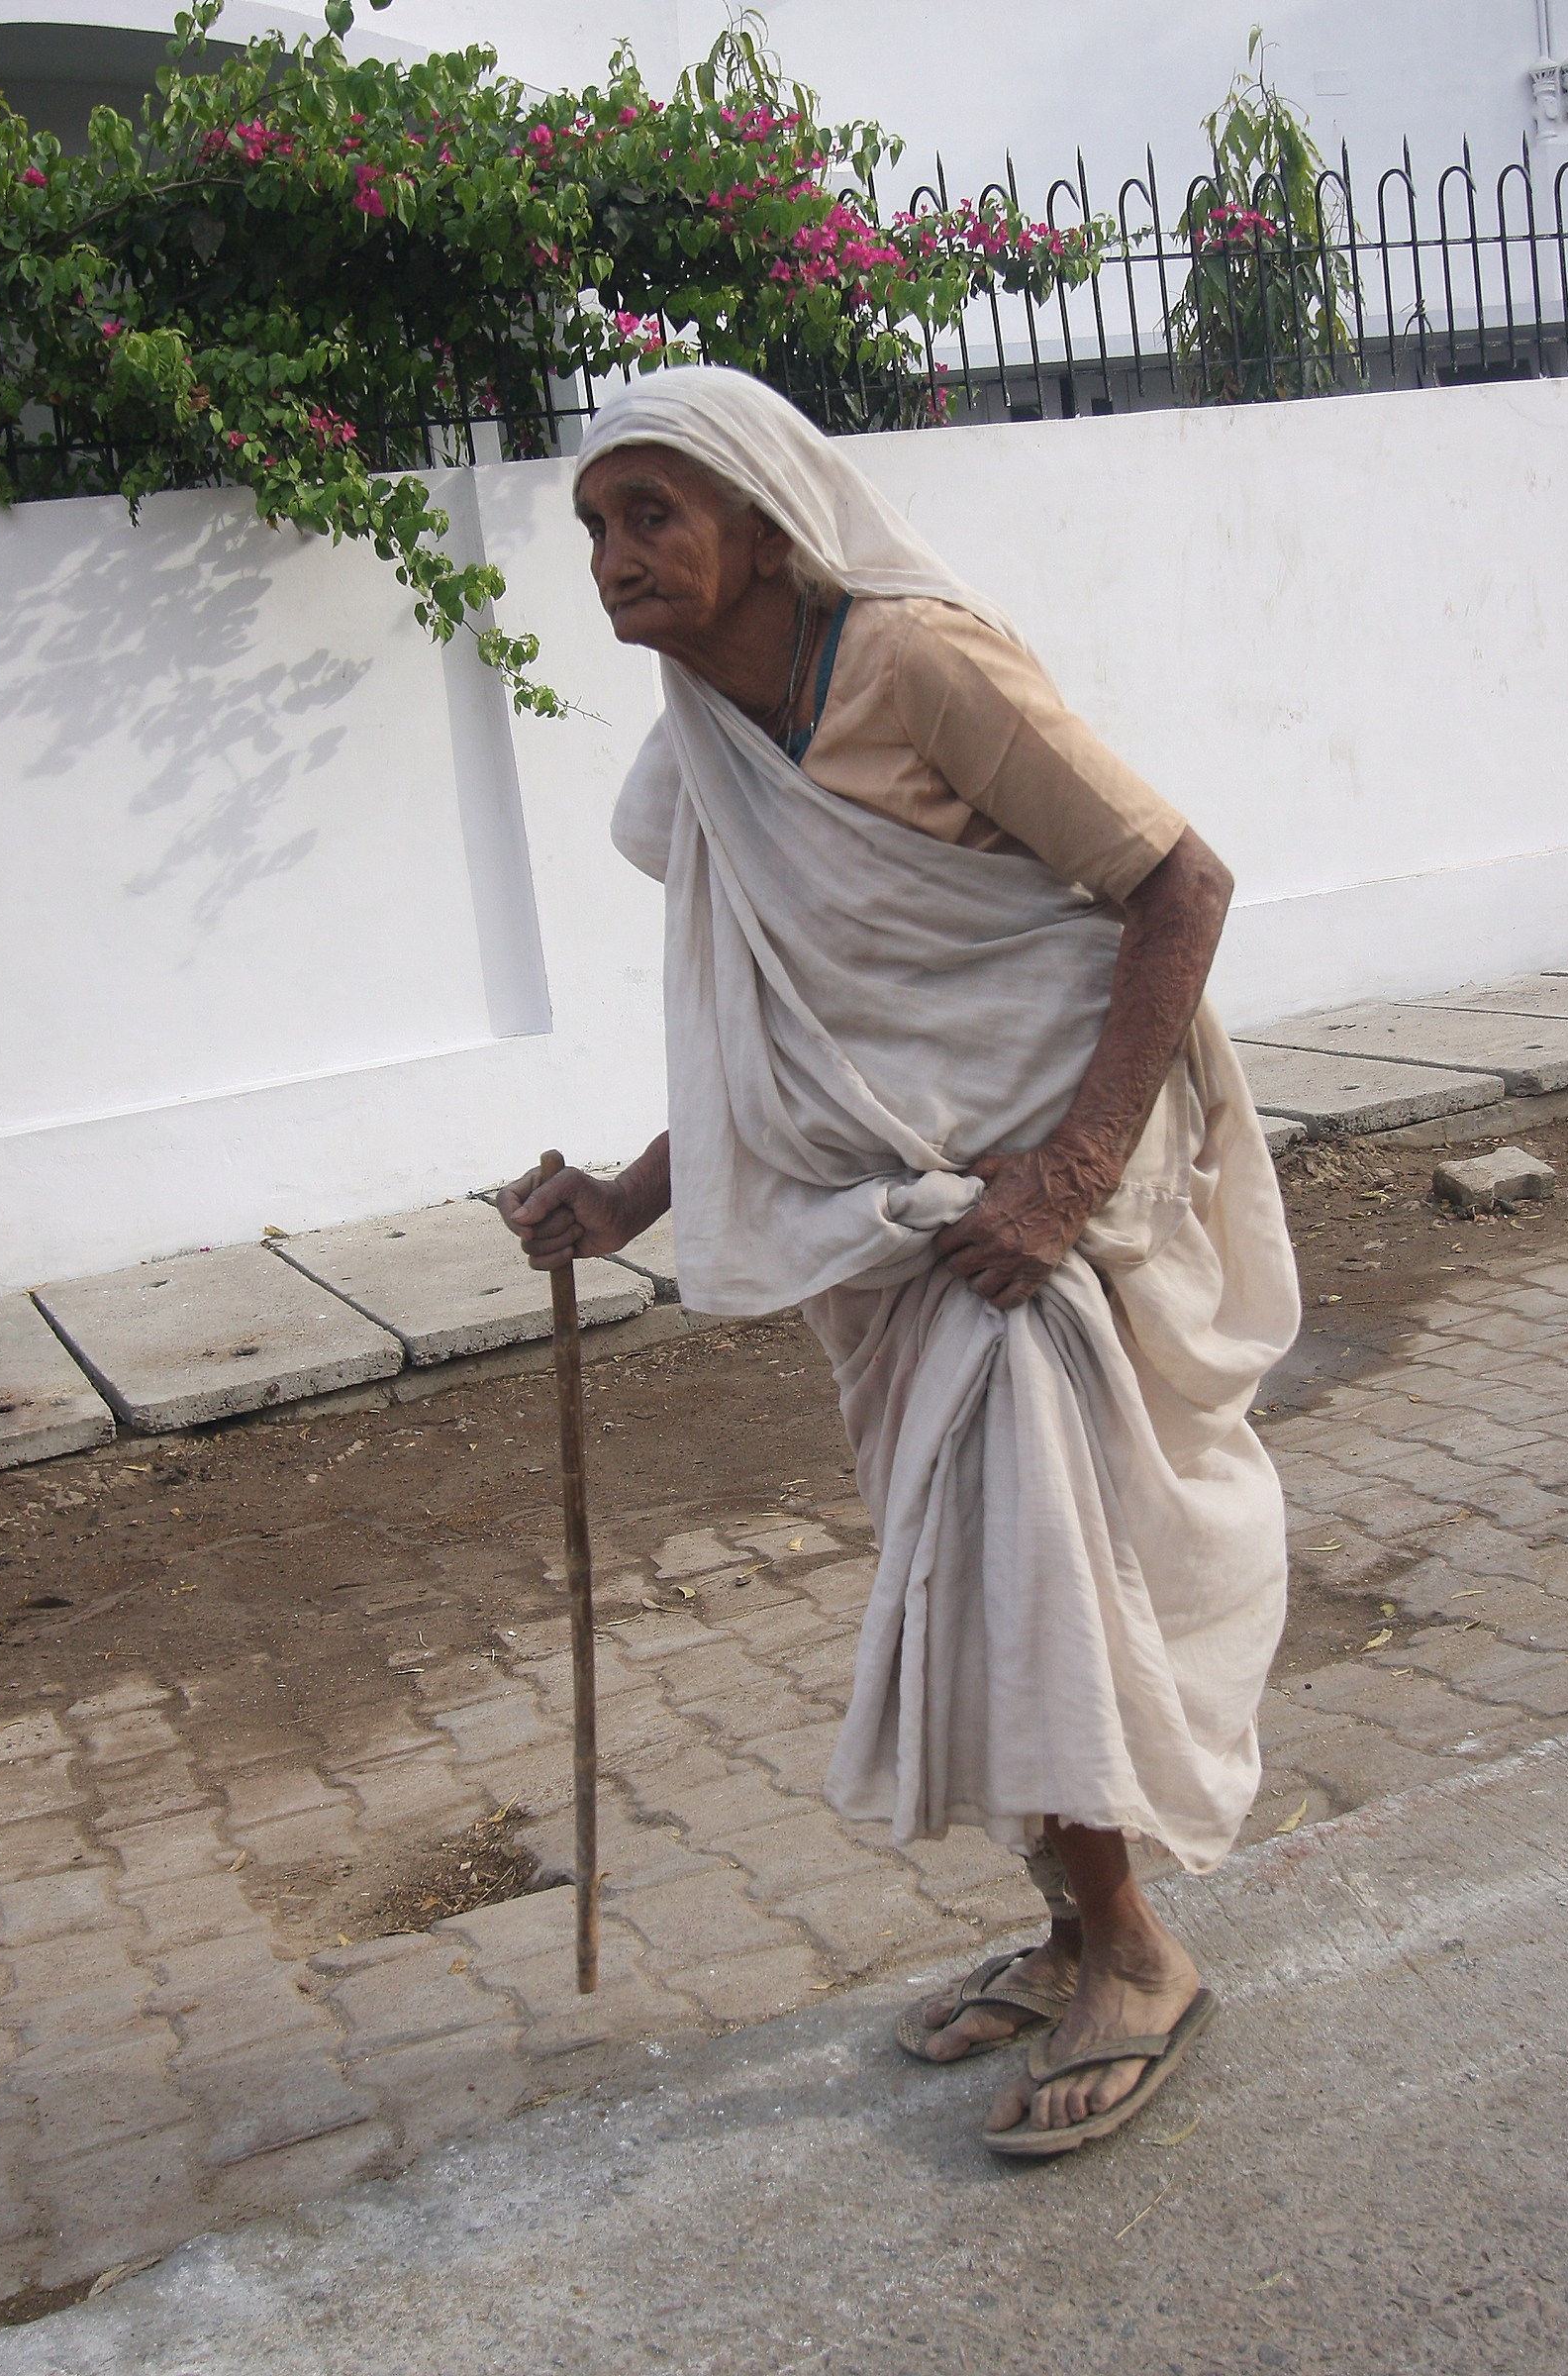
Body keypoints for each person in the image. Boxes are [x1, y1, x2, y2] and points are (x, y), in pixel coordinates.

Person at [498, 366, 1300, 2158]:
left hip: (1043, 1190)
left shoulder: (921, 665)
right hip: (896, 1210)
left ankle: (1139, 1953)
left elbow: (1182, 887)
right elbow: (790, 1028)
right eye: (596, 526)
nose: (615, 556)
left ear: (766, 521)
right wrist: (627, 1203)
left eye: (654, 513)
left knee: (1033, 1556)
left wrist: (1070, 1174)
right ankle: (1070, 1919)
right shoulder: (705, 735)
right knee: (978, 1559)